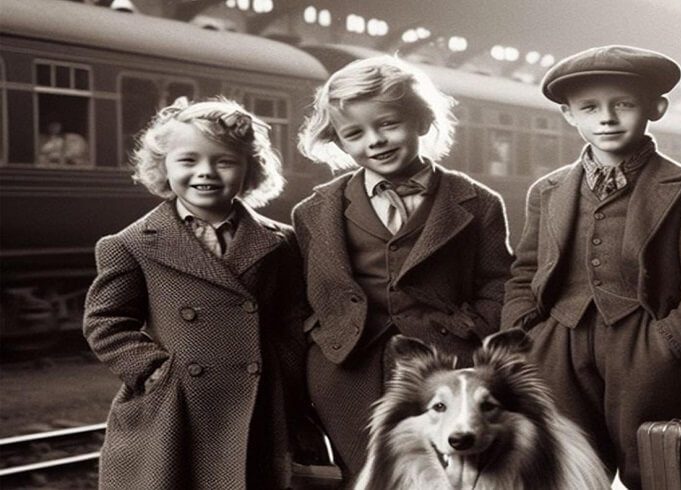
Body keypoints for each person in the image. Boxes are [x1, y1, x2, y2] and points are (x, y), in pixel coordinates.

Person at [501, 45, 681, 488]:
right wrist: (529, 335)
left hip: (647, 351)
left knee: (657, 469)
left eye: (623, 105)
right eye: (590, 107)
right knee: (565, 471)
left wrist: (669, 342)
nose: (606, 118)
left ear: (655, 108)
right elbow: (524, 272)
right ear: (570, 115)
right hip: (558, 348)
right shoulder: (547, 190)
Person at [83, 97, 324, 489]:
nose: (205, 173)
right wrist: (151, 368)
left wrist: (287, 374)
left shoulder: (281, 242)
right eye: (188, 161)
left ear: (250, 170)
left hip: (259, 398)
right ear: (163, 167)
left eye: (224, 161)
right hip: (176, 405)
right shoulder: (130, 244)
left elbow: (292, 316)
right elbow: (106, 322)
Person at [294, 56, 513, 479]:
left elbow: (498, 282)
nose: (375, 141)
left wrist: (470, 334)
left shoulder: (477, 203)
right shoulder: (313, 212)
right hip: (345, 376)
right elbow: (302, 296)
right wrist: (320, 343)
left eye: (389, 124)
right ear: (339, 143)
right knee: (365, 474)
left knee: (450, 473)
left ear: (422, 121)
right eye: (354, 133)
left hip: (445, 372)